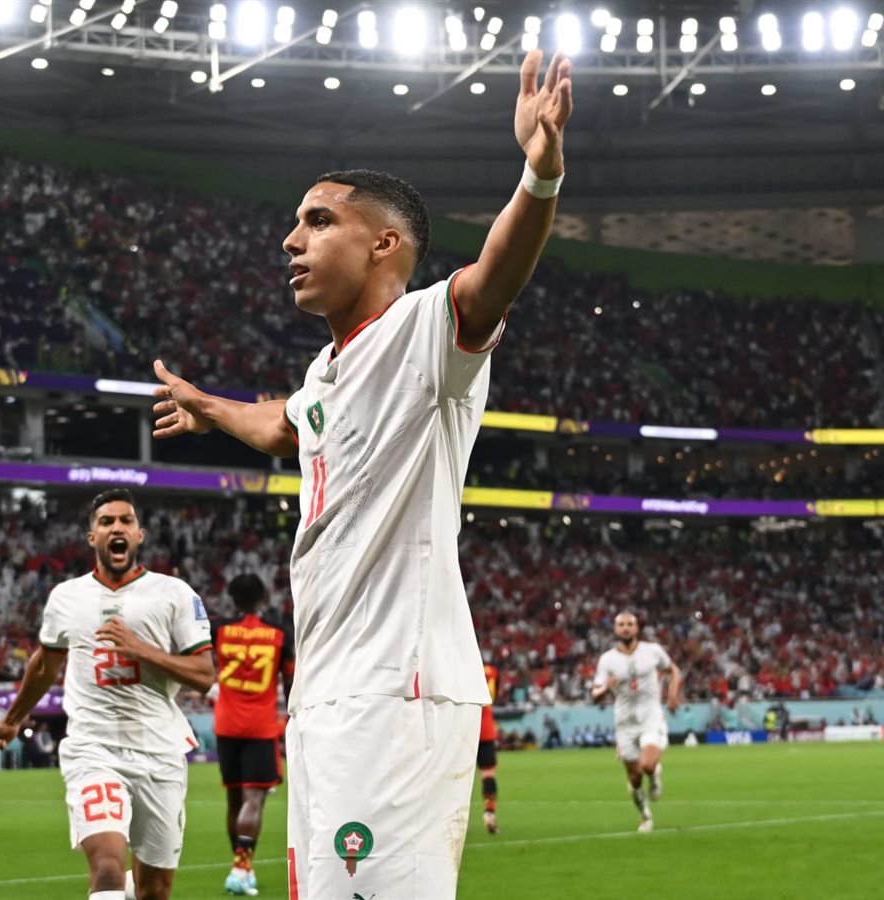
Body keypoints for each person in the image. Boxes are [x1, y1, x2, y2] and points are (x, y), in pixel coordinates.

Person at [149, 50, 573, 899]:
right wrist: (211, 408)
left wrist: (539, 175)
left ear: (383, 242)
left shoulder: (422, 331)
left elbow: (493, 280)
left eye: (317, 221)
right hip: (325, 692)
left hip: (394, 692)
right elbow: (286, 425)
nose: (291, 240)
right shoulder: (327, 373)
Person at [0, 489, 214, 900]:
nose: (116, 528)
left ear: (139, 534)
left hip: (159, 752)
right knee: (107, 867)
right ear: (93, 537)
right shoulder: (67, 597)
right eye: (106, 522)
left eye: (126, 521)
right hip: (94, 750)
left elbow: (203, 675)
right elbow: (45, 664)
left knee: (154, 891)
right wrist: (12, 720)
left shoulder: (174, 593)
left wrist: (140, 649)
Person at [210, 573, 292, 897]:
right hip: (260, 726)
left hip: (226, 724)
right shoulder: (279, 634)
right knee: (253, 800)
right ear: (263, 598)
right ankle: (240, 868)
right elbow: (291, 680)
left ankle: (243, 869)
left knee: (233, 799)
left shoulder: (220, 630)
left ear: (232, 599)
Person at [591, 611, 682, 832]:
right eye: (621, 624)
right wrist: (606, 688)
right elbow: (595, 694)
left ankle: (655, 775)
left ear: (636, 627)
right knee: (634, 777)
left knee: (648, 764)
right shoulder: (607, 660)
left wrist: (672, 694)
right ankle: (645, 816)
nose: (625, 628)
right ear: (615, 629)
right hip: (625, 723)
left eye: (629, 624)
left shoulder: (652, 651)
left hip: (651, 717)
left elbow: (673, 670)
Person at [479, 663, 501, 834]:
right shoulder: (491, 671)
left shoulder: (457, 663)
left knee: (455, 776)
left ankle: (452, 820)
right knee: (488, 774)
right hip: (485, 728)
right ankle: (489, 814)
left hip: (461, 728)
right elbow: (495, 695)